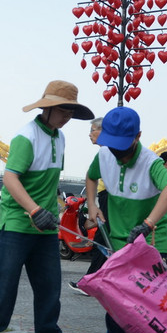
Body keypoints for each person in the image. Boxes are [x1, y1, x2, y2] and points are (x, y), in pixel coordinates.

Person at [0, 80, 93, 333]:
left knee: (49, 286)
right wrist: (35, 210)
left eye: (72, 111)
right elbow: (10, 179)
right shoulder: (26, 137)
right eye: (64, 110)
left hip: (47, 226)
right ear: (47, 107)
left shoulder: (60, 138)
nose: (68, 117)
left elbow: (50, 183)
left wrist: (54, 212)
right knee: (5, 283)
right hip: (19, 224)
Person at [85, 106, 167, 333]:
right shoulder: (104, 154)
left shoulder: (151, 162)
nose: (117, 153)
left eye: (122, 147)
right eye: (111, 145)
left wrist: (148, 223)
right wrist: (92, 205)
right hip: (119, 240)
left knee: (155, 300)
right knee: (116, 298)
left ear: (137, 137)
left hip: (150, 240)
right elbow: (91, 177)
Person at [68, 116, 110, 295]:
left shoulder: (107, 151)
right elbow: (91, 176)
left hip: (110, 198)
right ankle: (96, 282)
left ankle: (91, 283)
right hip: (106, 197)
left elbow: (91, 176)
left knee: (103, 240)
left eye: (93, 130)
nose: (89, 134)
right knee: (104, 240)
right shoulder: (106, 151)